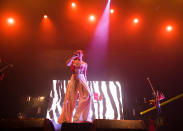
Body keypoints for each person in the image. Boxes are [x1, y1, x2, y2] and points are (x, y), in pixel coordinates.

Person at [58, 50, 91, 123]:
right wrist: (73, 57)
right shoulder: (73, 61)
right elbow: (67, 64)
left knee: (88, 95)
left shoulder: (85, 64)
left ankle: (80, 117)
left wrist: (86, 82)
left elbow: (85, 74)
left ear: (82, 54)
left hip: (81, 78)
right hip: (74, 78)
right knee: (70, 98)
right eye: (77, 53)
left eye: (79, 53)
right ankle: (66, 119)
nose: (78, 54)